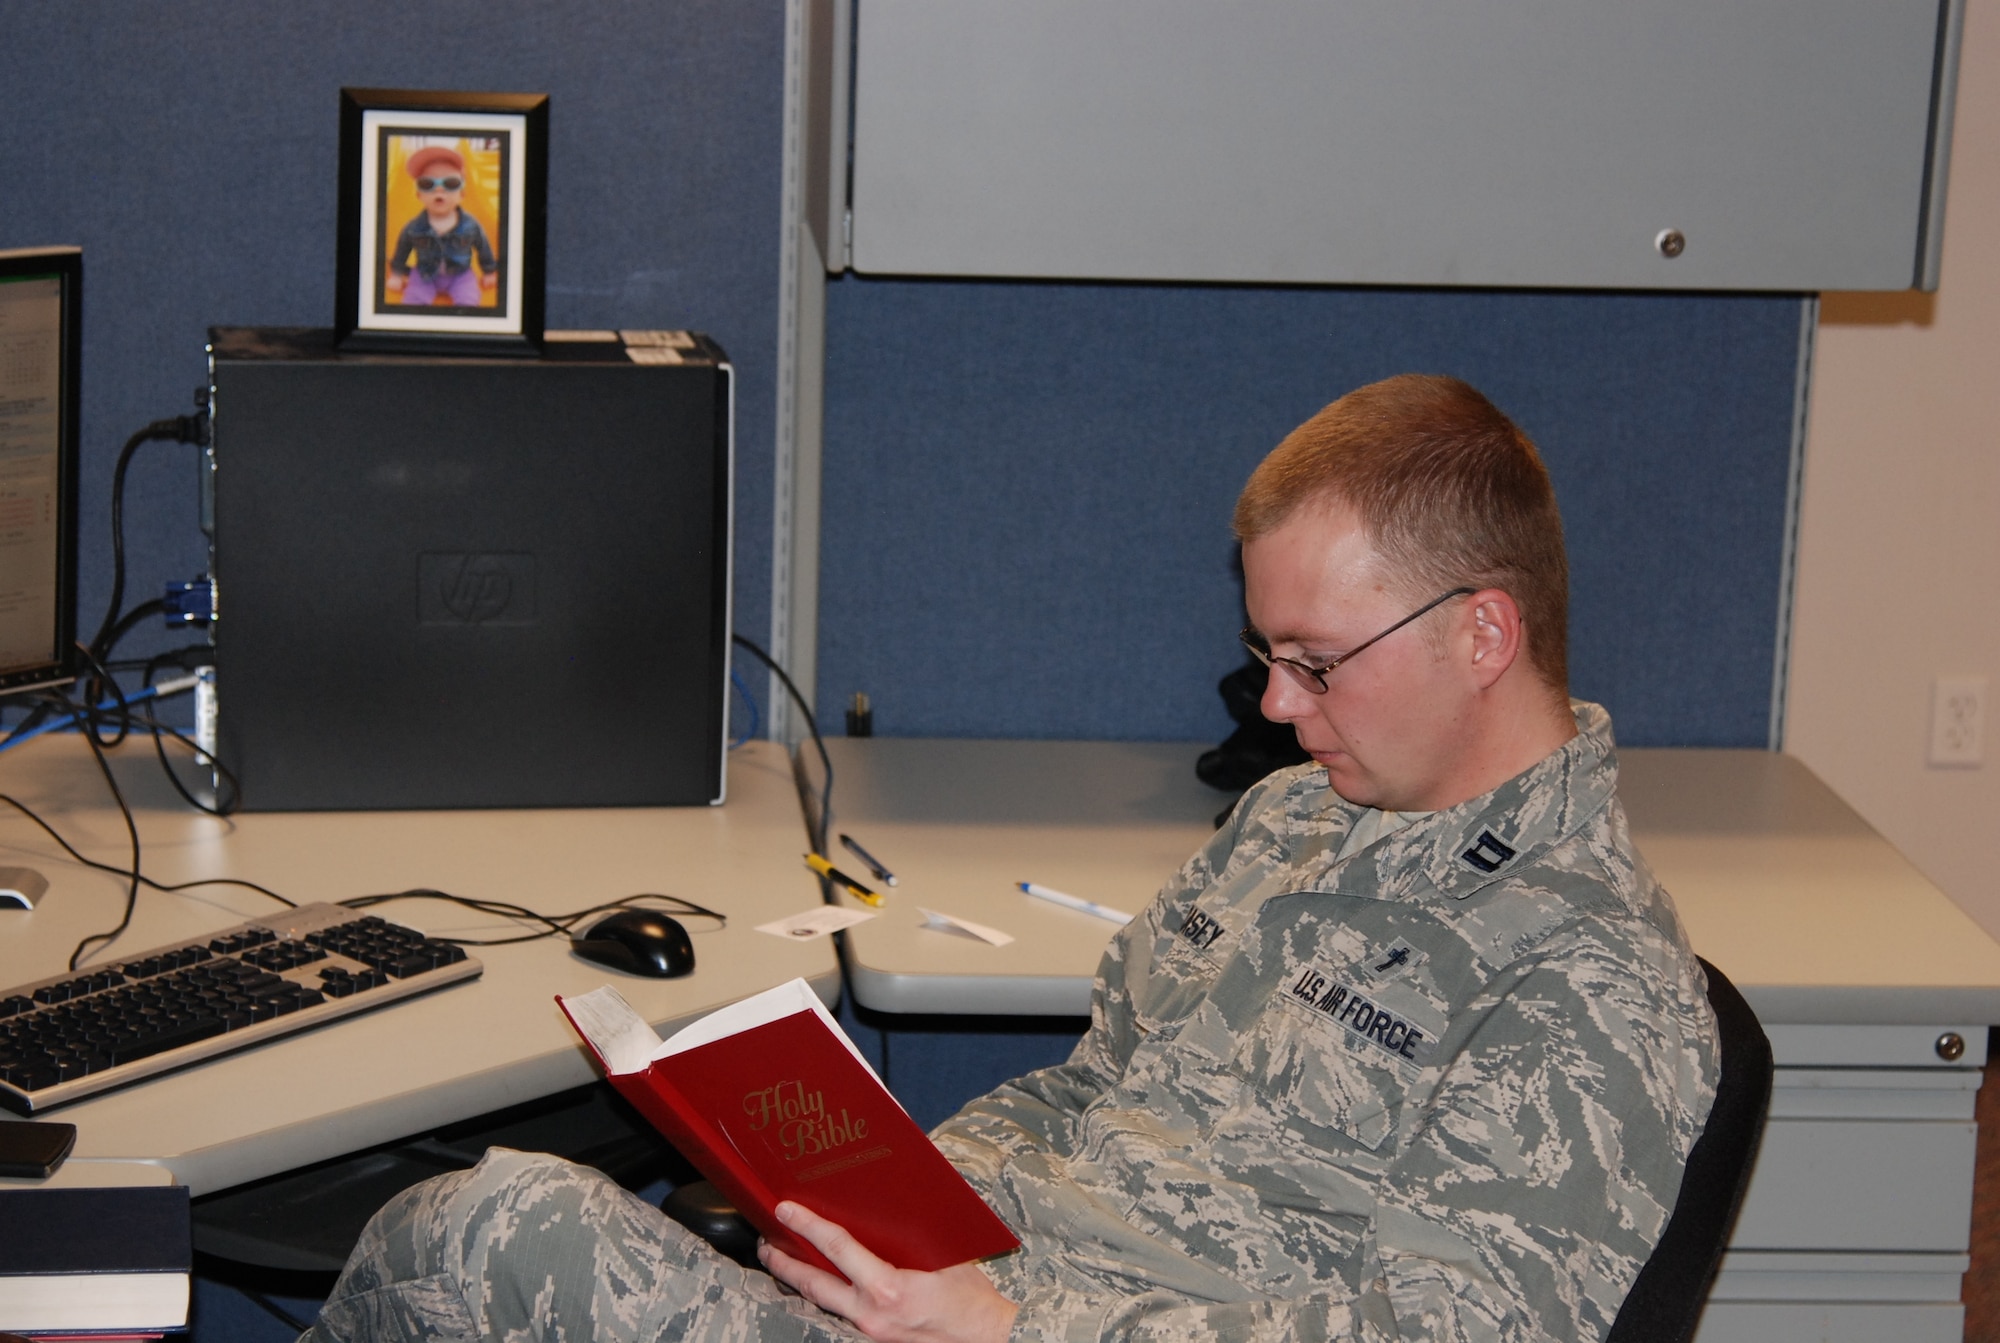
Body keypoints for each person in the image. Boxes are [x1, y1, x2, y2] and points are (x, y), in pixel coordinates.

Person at [302, 374, 1718, 1343]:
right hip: (970, 1303)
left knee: (498, 1231)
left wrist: (1023, 1320)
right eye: (1264, 657)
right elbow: (1099, 1089)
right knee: (483, 1226)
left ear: (1482, 633)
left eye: (1315, 661)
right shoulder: (1298, 819)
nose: (1276, 707)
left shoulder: (1597, 981)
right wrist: (890, 1207)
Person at [384, 145, 499, 308]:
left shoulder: (471, 225)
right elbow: (402, 250)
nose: (439, 189)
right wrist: (396, 274)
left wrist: (489, 272)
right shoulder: (413, 227)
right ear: (419, 195)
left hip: (461, 275)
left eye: (450, 183)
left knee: (469, 301)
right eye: (427, 183)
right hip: (424, 275)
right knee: (413, 301)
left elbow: (483, 247)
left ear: (462, 195)